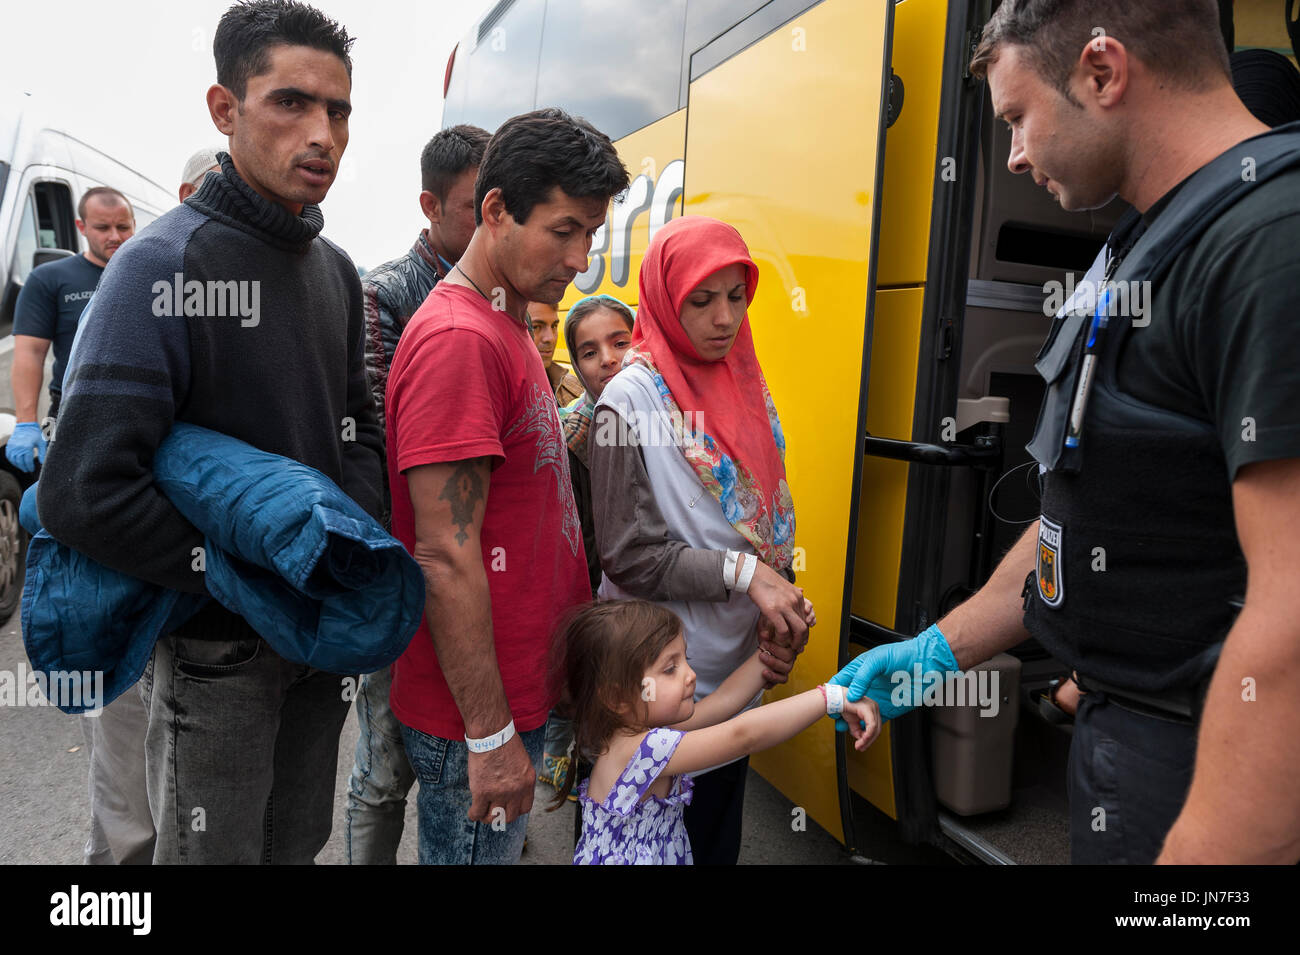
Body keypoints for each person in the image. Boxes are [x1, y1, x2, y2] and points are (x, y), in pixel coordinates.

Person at [834, 0, 1300, 864]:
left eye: (1016, 119)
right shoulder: (1138, 244)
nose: (1013, 154)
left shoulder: (1270, 240)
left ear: (1102, 70)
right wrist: (940, 647)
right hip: (1128, 746)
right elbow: (1078, 510)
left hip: (1208, 766)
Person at [40, 0, 384, 864]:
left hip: (317, 637)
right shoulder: (159, 267)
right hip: (217, 656)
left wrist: (338, 558)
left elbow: (359, 435)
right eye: (291, 103)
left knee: (295, 845)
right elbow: (84, 491)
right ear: (224, 110)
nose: (323, 134)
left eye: (338, 110)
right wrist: (234, 578)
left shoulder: (336, 271)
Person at [384, 107, 629, 865]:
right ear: (496, 211)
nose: (582, 258)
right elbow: (447, 556)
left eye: (592, 233)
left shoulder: (508, 323)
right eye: (564, 230)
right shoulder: (460, 340)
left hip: (513, 697)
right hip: (473, 723)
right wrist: (490, 738)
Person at [589, 215, 811, 865]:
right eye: (701, 300)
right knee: (649, 839)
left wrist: (779, 597)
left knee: (714, 838)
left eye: (737, 296)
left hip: (735, 662)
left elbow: (767, 513)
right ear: (663, 299)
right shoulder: (628, 402)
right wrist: (749, 577)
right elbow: (629, 551)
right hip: (658, 685)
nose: (725, 319)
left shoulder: (744, 379)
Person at [345, 122, 489, 866]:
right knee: (384, 765)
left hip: (473, 564)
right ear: (431, 205)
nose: (494, 221)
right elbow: (379, 439)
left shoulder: (502, 295)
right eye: (476, 206)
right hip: (407, 564)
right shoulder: (387, 292)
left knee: (464, 751)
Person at [557, 599, 878, 865]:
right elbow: (743, 734)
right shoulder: (642, 749)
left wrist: (771, 650)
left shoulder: (641, 730)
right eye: (670, 669)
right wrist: (830, 698)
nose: (690, 675)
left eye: (686, 659)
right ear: (617, 698)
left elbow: (723, 702)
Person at [537, 294, 635, 796]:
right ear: (577, 364)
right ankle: (563, 784)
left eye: (621, 342)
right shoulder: (572, 432)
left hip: (646, 606)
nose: (609, 360)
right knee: (590, 728)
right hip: (600, 602)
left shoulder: (668, 417)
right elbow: (579, 536)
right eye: (590, 352)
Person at [8, 186, 135, 472]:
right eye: (102, 227)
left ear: (134, 223)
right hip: (71, 410)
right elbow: (30, 352)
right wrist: (26, 421)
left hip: (139, 408)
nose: (114, 236)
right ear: (82, 227)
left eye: (123, 226)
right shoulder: (49, 279)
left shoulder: (153, 273)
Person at [528, 299, 584, 406]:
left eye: (554, 326)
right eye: (536, 327)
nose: (550, 338)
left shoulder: (572, 386)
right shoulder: (497, 391)